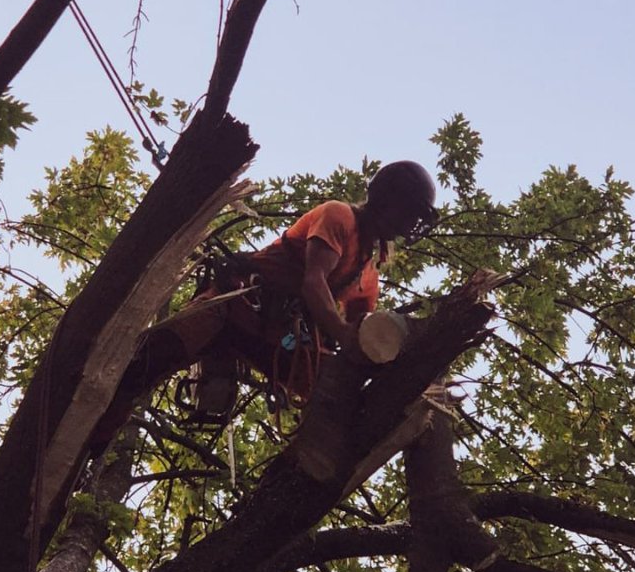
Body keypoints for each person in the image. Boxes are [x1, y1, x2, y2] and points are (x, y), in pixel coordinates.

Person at [90, 160, 438, 453]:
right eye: (411, 212)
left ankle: (311, 464)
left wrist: (376, 358)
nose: (411, 224)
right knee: (152, 357)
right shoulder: (338, 217)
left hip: (278, 340)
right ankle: (93, 429)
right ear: (391, 200)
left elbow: (360, 334)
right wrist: (343, 335)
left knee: (336, 395)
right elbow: (314, 282)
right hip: (236, 307)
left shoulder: (368, 274)